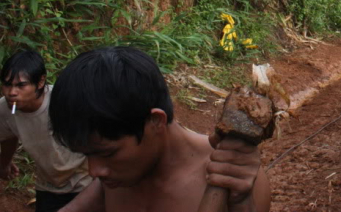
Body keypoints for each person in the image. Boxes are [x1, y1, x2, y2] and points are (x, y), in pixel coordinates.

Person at [48, 46, 271, 212]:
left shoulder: (233, 180)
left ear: (156, 121)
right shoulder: (115, 178)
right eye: (87, 155)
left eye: (107, 153)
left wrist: (242, 203)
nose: (93, 171)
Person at [0, 50, 92, 212]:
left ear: (41, 82)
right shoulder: (5, 109)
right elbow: (8, 134)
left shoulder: (63, 100)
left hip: (85, 181)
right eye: (7, 84)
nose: (12, 92)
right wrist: (4, 163)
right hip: (49, 185)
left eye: (21, 85)